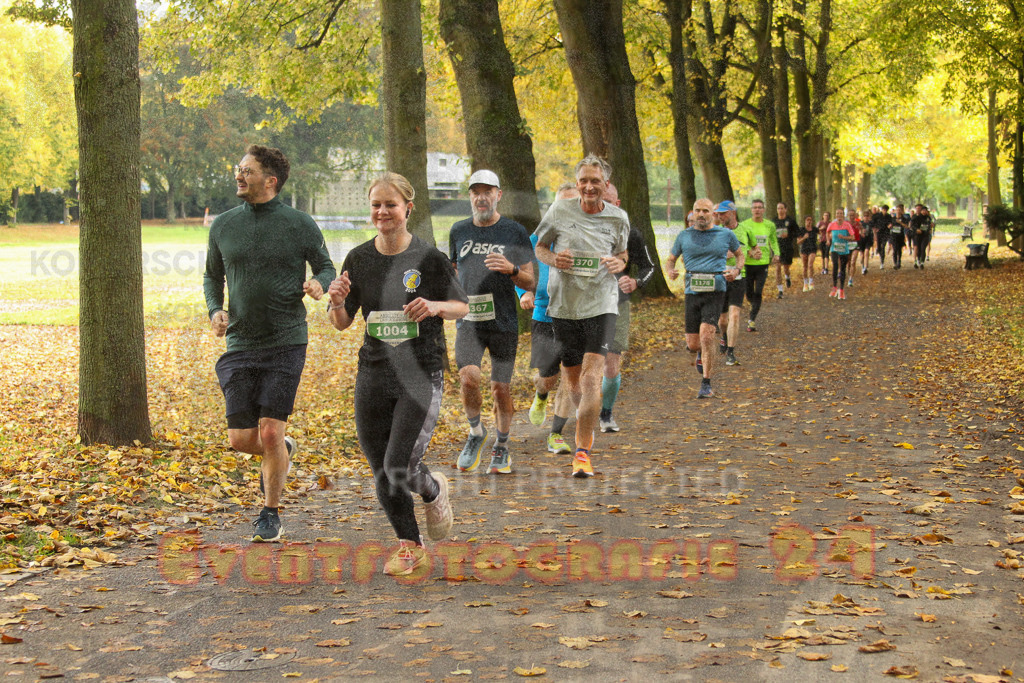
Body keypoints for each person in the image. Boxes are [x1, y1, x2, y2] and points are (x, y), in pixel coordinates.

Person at [327, 172, 468, 576]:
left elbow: (461, 306)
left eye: (390, 204)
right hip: (373, 372)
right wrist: (336, 302)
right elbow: (341, 321)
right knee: (382, 469)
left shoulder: (429, 259)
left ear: (408, 208)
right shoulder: (358, 258)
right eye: (376, 205)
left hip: (420, 373)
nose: (382, 212)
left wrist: (436, 307)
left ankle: (433, 490)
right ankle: (410, 545)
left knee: (398, 466)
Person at [204, 145, 336, 543]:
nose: (238, 175)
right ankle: (282, 452)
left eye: (246, 170)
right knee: (242, 440)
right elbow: (212, 277)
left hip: (286, 340)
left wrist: (320, 284)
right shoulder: (224, 225)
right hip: (241, 341)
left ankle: (270, 512)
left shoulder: (298, 224)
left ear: (270, 180)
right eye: (238, 168)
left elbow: (327, 265)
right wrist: (215, 310)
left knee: (270, 433)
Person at [534, 155, 629, 478]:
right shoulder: (559, 211)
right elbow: (540, 248)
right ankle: (584, 423)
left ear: (605, 185)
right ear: (578, 183)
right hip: (564, 308)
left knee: (591, 379)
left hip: (602, 305)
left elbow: (622, 252)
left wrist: (620, 263)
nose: (589, 186)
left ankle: (583, 452)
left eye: (595, 181)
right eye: (584, 180)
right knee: (573, 381)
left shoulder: (618, 218)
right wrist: (553, 259)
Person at [449, 170, 535, 475]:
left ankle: (502, 445)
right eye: (475, 191)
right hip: (469, 322)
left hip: (503, 322)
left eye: (488, 191)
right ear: (470, 196)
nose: (481, 197)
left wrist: (512, 270)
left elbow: (532, 281)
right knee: (468, 379)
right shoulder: (458, 230)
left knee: (500, 389)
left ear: (498, 195)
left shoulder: (514, 231)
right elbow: (453, 271)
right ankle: (475, 433)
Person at [521, 183, 578, 456]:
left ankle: (555, 434)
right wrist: (523, 293)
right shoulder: (537, 238)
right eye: (562, 204)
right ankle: (541, 394)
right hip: (544, 313)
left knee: (569, 374)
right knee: (548, 376)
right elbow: (518, 267)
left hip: (577, 314)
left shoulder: (587, 237)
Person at [666, 198, 742, 398]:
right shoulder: (684, 236)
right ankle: (700, 352)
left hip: (716, 289)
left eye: (706, 211)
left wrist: (736, 270)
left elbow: (740, 255)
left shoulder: (726, 234)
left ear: (713, 214)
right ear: (693, 212)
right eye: (698, 210)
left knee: (707, 334)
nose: (701, 214)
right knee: (693, 344)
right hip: (692, 292)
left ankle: (706, 383)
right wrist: (671, 271)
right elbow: (671, 259)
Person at [599, 182, 656, 433]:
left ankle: (606, 413)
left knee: (611, 362)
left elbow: (649, 267)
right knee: (582, 361)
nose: (605, 206)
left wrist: (635, 281)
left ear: (618, 204)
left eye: (610, 202)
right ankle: (583, 407)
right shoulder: (577, 229)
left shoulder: (631, 233)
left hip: (616, 303)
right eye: (601, 200)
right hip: (579, 303)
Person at [712, 200, 753, 366]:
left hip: (738, 277)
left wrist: (752, 253)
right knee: (722, 320)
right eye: (719, 214)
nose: (720, 217)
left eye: (723, 213)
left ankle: (731, 352)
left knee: (734, 314)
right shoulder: (716, 232)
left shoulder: (745, 230)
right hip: (721, 278)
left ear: (733, 213)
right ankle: (724, 336)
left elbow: (753, 249)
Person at [737, 199, 778, 332]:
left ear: (764, 210)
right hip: (748, 263)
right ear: (751, 210)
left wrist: (776, 254)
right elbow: (741, 242)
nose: (757, 210)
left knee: (758, 291)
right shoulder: (744, 225)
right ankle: (753, 305)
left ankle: (752, 319)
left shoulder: (770, 225)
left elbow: (773, 240)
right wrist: (750, 252)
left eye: (760, 207)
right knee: (749, 292)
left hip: (763, 263)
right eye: (755, 207)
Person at [826, 210, 855, 300]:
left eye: (841, 214)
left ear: (843, 215)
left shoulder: (847, 225)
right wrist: (828, 240)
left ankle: (841, 289)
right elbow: (827, 232)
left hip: (844, 249)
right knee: (835, 265)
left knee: (842, 268)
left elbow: (852, 237)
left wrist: (844, 237)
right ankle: (834, 287)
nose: (839, 215)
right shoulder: (832, 224)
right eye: (837, 213)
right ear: (835, 215)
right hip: (834, 248)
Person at [773, 202, 799, 297]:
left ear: (785, 209)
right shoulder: (774, 221)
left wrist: (789, 235)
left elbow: (797, 233)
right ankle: (780, 291)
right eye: (778, 208)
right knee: (777, 268)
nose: (780, 210)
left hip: (787, 247)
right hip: (777, 248)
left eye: (781, 208)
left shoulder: (791, 221)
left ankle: (787, 277)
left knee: (786, 268)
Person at [797, 215, 819, 291]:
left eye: (810, 220)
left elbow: (821, 234)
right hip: (804, 249)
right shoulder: (801, 230)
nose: (809, 221)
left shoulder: (815, 229)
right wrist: (804, 237)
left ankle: (811, 282)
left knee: (810, 265)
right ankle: (805, 283)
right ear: (805, 221)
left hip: (812, 249)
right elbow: (798, 242)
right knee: (805, 266)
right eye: (807, 220)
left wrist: (820, 239)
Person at [871, 204, 893, 269]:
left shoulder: (889, 216)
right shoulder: (877, 216)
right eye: (884, 210)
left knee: (883, 246)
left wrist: (890, 225)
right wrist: (875, 229)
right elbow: (872, 223)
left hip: (886, 233)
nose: (885, 211)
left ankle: (882, 262)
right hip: (879, 233)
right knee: (879, 246)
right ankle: (879, 252)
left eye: (886, 210)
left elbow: (891, 223)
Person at [890, 204, 908, 269]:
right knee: (894, 249)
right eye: (897, 210)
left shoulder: (903, 218)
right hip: (894, 236)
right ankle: (895, 263)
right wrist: (889, 226)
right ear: (895, 211)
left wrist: (900, 223)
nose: (898, 211)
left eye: (899, 210)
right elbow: (889, 225)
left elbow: (906, 226)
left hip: (900, 236)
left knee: (899, 250)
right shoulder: (892, 218)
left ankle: (899, 261)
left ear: (901, 211)